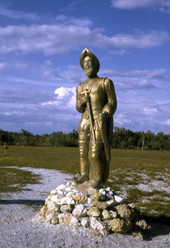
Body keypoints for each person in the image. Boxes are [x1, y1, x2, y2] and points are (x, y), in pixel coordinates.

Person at [76, 48, 117, 188]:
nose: (87, 66)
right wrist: (81, 102)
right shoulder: (80, 87)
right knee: (83, 152)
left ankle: (97, 179)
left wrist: (105, 113)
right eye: (84, 64)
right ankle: (84, 175)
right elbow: (78, 108)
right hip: (84, 122)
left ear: (95, 65)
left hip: (98, 122)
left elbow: (112, 102)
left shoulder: (105, 82)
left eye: (89, 63)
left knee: (95, 152)